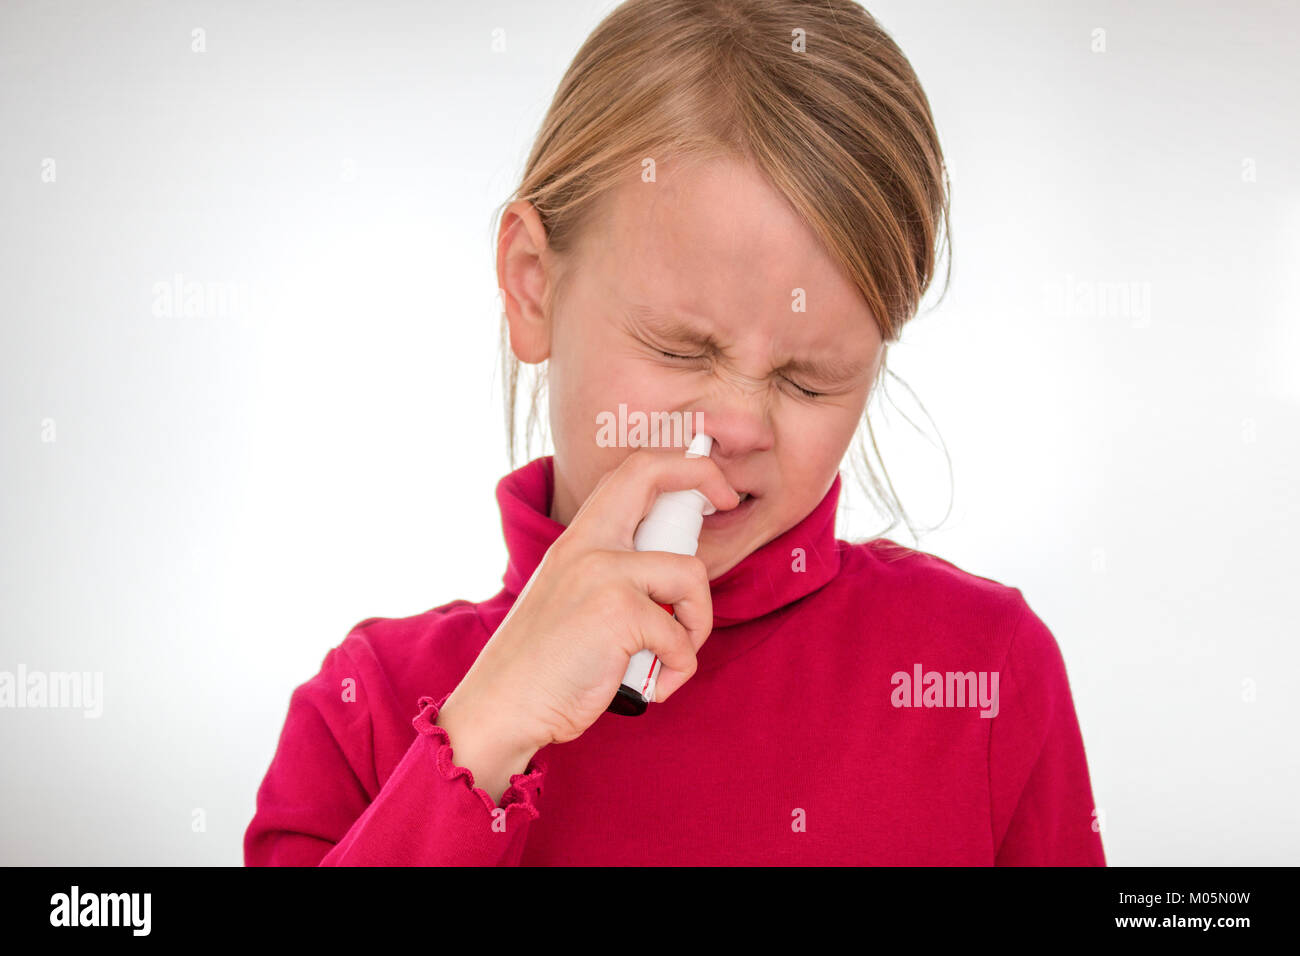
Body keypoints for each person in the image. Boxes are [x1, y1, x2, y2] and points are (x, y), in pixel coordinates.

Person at [245, 0, 1106, 865]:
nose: (737, 426)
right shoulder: (362, 714)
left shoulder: (981, 673)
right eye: (679, 346)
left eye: (809, 378)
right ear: (532, 285)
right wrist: (483, 738)